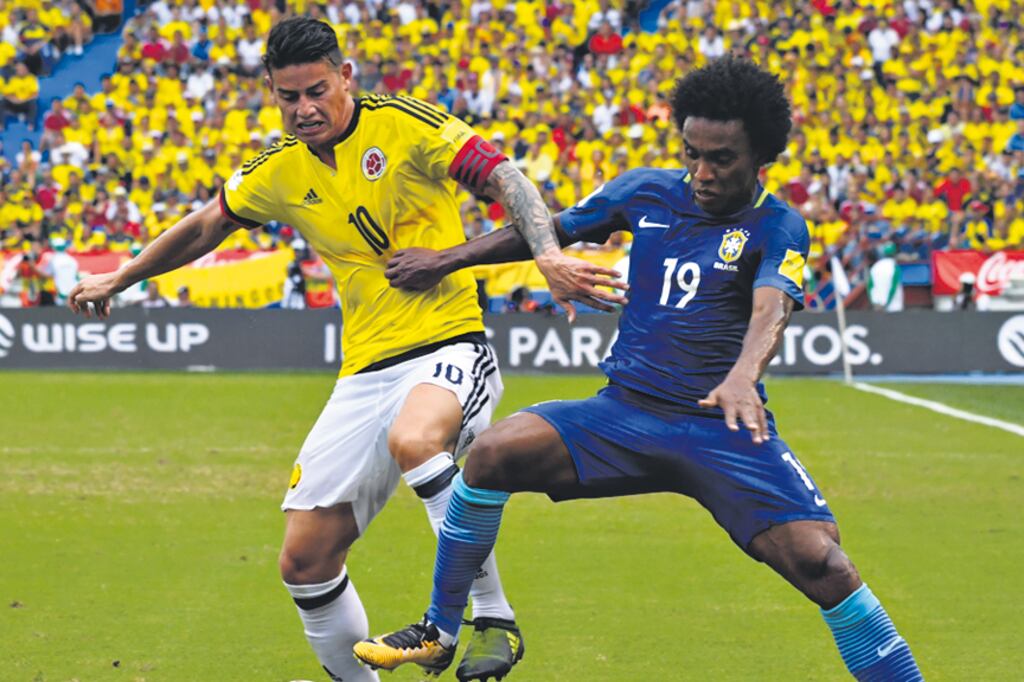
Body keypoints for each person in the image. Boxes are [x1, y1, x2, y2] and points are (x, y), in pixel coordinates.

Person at [67, 17, 623, 682]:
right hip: (363, 371)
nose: (304, 109)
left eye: (317, 91)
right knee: (304, 561)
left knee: (416, 440)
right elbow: (208, 224)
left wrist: (546, 254)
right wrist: (121, 276)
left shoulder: (405, 125)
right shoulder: (280, 169)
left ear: (346, 77)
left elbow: (507, 178)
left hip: (448, 342)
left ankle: (488, 617)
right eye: (288, 97)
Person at [354, 57, 924, 681]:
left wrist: (742, 375)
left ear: (761, 156)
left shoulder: (778, 225)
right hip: (623, 414)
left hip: (722, 429)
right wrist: (447, 259)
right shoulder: (645, 191)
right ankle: (440, 630)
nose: (702, 173)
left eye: (721, 159)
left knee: (825, 566)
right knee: (492, 454)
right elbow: (551, 229)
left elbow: (772, 305)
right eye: (692, 154)